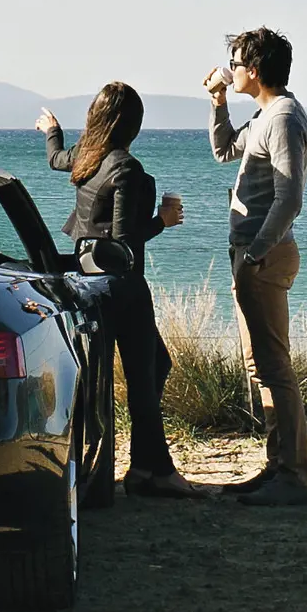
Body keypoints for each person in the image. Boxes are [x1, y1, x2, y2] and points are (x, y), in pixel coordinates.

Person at [36, 84, 201, 502]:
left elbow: (56, 159)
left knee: (139, 370)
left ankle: (135, 468)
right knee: (146, 376)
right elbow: (126, 239)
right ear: (134, 125)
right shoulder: (125, 168)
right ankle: (152, 471)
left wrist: (51, 130)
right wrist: (162, 219)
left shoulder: (87, 157)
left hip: (86, 283)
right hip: (122, 284)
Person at [206, 28, 307, 506]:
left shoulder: (284, 118)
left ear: (257, 68)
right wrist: (218, 102)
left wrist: (256, 253)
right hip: (253, 254)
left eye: (236, 62)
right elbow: (224, 149)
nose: (231, 69)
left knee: (273, 367)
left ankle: (291, 476)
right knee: (261, 367)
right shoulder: (265, 116)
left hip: (263, 256)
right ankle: (277, 467)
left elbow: (289, 198)